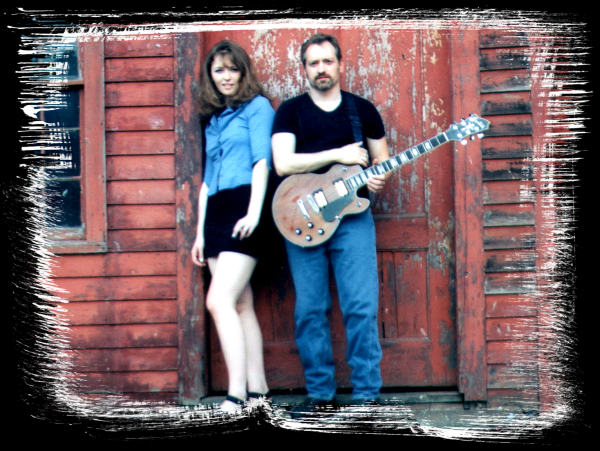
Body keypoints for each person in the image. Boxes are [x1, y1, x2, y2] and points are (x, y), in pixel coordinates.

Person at [271, 33, 390, 411]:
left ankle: (367, 397)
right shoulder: (290, 111)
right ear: (304, 69)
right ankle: (320, 395)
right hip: (299, 217)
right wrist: (337, 153)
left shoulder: (362, 111)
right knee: (310, 309)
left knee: (360, 306)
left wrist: (377, 178)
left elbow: (381, 162)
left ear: (340, 64)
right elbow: (282, 163)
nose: (321, 68)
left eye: (327, 61)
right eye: (313, 63)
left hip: (353, 219)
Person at [191, 40, 273, 414]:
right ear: (211, 75)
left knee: (217, 300)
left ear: (244, 71)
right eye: (218, 69)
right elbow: (207, 179)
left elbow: (261, 163)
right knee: (240, 302)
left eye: (232, 68)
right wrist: (199, 232)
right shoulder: (212, 118)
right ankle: (259, 391)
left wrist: (255, 214)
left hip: (246, 204)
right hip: (217, 211)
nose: (226, 76)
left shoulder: (257, 108)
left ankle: (236, 393)